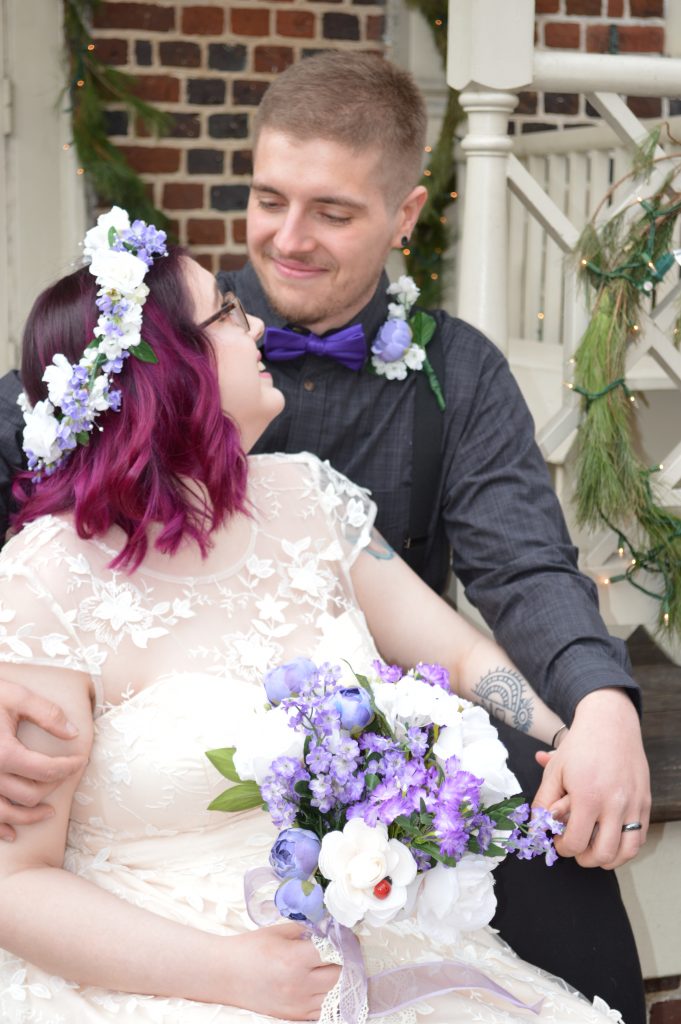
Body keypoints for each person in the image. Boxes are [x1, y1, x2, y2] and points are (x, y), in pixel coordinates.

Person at [0, 53, 649, 1021]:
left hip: (375, 812)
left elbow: (515, 575)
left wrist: (592, 714)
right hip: (155, 901)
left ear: (403, 216)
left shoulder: (416, 408)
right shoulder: (127, 352)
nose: (285, 244)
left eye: (334, 213)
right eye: (268, 200)